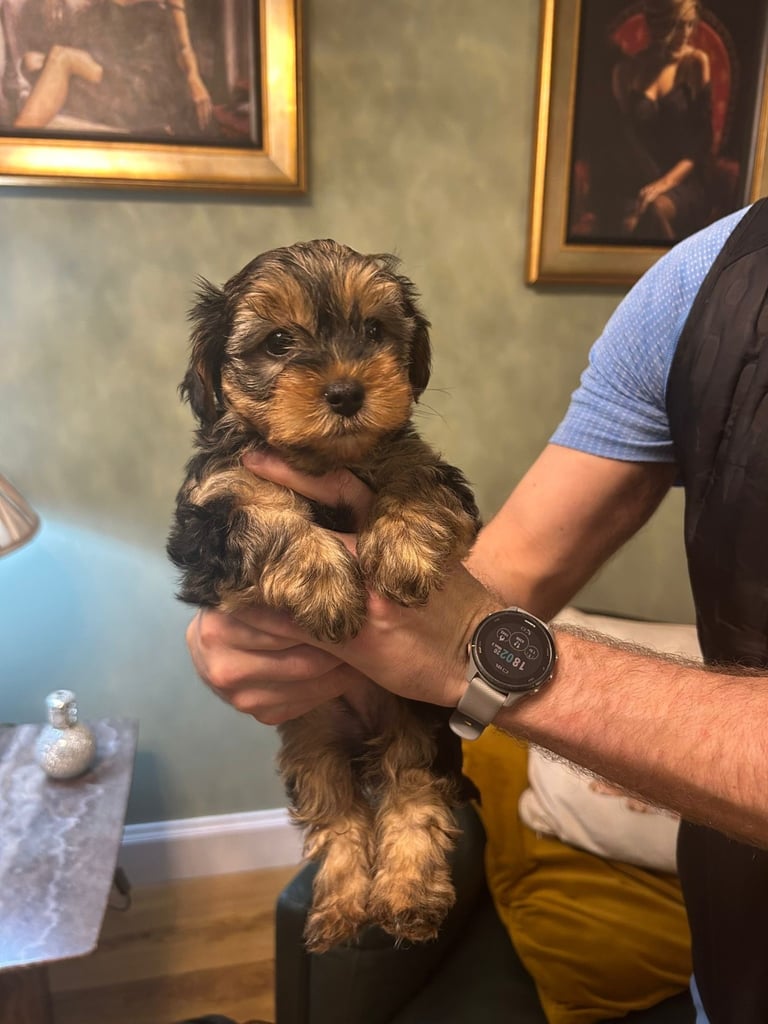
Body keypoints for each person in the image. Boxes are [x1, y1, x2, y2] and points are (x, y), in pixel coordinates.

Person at [185, 200, 768, 1023]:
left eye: (374, 336)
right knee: (330, 773)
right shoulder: (701, 280)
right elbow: (508, 569)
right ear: (214, 377)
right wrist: (266, 634)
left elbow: (453, 607)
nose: (342, 373)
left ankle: (410, 836)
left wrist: (468, 649)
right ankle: (345, 858)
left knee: (416, 774)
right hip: (734, 940)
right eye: (278, 344)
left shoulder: (408, 467)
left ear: (411, 360)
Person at [591, 0, 715, 242]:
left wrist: (665, 182)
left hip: (684, 180)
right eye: (678, 25)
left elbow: (702, 142)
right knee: (626, 220)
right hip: (639, 176)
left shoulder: (696, 64)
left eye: (691, 25)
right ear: (659, 24)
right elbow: (626, 139)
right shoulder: (626, 70)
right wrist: (644, 185)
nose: (686, 34)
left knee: (656, 210)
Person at [12, 0, 212, 135]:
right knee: (31, 60)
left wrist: (194, 79)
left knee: (61, 57)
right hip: (111, 70)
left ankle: (16, 142)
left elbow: (184, 48)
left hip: (143, 82)